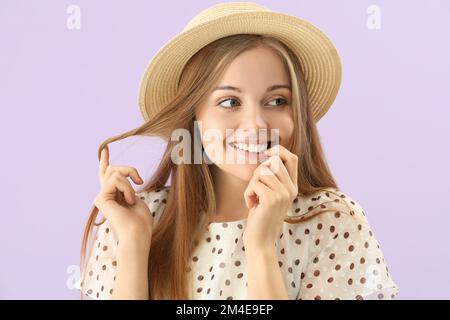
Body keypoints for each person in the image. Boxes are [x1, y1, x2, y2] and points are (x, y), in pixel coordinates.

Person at [75, 2, 399, 300]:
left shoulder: (333, 221)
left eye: (277, 101)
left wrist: (261, 249)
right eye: (230, 102)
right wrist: (134, 244)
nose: (256, 124)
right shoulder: (137, 220)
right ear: (195, 118)